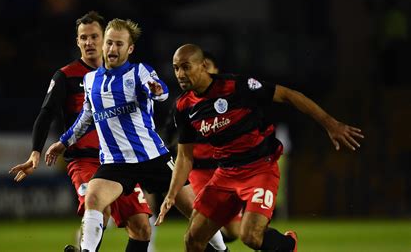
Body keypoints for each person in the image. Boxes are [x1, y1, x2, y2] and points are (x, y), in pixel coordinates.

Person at [156, 44, 364, 251]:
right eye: (176, 68)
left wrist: (331, 124)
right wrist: (172, 194)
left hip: (259, 169)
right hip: (225, 174)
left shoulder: (236, 86)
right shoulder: (184, 106)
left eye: (186, 67)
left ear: (202, 66)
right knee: (193, 240)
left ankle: (288, 245)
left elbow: (288, 95)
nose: (180, 74)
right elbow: (184, 157)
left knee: (251, 237)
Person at [45, 19, 228, 252]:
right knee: (93, 197)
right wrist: (63, 142)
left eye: (119, 44)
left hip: (151, 157)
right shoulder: (91, 80)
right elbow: (86, 117)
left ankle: (223, 251)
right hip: (116, 163)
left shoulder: (139, 72)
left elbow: (159, 89)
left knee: (196, 211)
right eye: (109, 43)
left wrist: (158, 91)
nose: (112, 49)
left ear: (129, 48)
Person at [8, 11, 152, 252]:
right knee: (100, 208)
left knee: (141, 228)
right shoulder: (66, 76)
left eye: (94, 36)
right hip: (85, 160)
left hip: (121, 161)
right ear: (77, 42)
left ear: (105, 38)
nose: (89, 42)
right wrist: (35, 153)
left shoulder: (125, 76)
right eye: (83, 37)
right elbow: (46, 114)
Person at [187, 51, 240, 243]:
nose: (204, 69)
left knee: (234, 231)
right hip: (199, 171)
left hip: (225, 170)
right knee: (199, 226)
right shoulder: (187, 102)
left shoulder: (230, 97)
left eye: (207, 65)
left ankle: (211, 243)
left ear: (216, 70)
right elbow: (173, 135)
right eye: (200, 66)